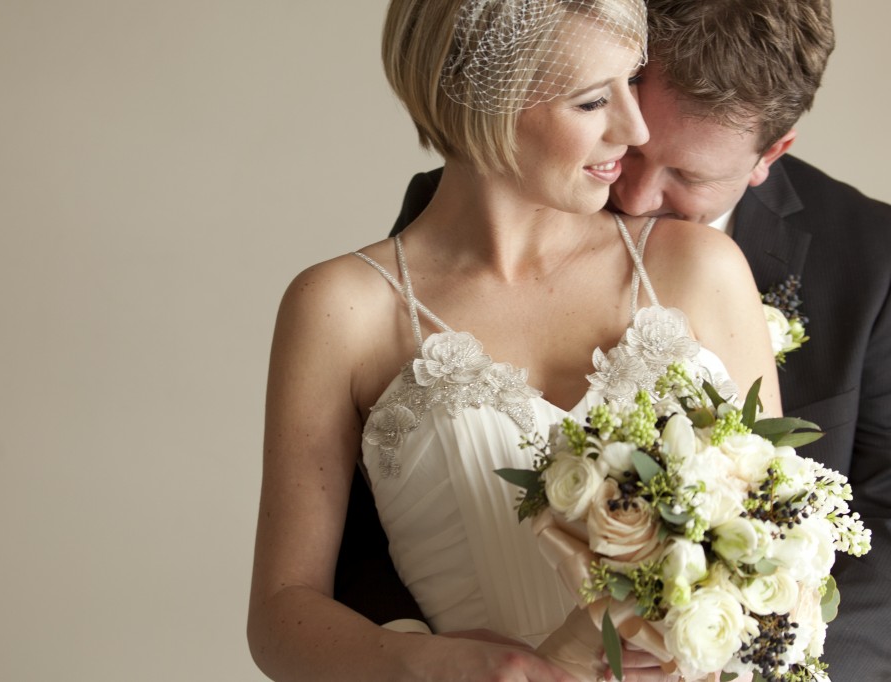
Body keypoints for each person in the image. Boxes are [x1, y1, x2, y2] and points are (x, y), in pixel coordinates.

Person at [346, 0, 891, 678]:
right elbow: (385, 513)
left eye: (686, 177)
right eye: (629, 149)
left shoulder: (872, 260)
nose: (631, 198)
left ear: (770, 155)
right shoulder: (464, 212)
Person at [249, 1, 778, 680]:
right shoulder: (343, 309)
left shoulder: (700, 268)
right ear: (479, 100)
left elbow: (781, 539)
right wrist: (436, 665)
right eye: (592, 102)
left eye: (633, 82)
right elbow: (281, 614)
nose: (635, 126)